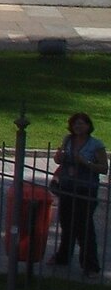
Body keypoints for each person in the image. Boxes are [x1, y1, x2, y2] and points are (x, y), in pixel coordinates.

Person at [52, 111, 107, 276]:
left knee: (84, 226)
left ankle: (91, 265)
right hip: (67, 186)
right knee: (66, 223)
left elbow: (103, 168)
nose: (78, 126)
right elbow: (59, 159)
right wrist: (58, 157)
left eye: (81, 123)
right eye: (75, 123)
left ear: (88, 126)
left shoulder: (96, 145)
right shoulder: (68, 140)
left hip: (85, 189)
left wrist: (86, 162)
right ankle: (63, 257)